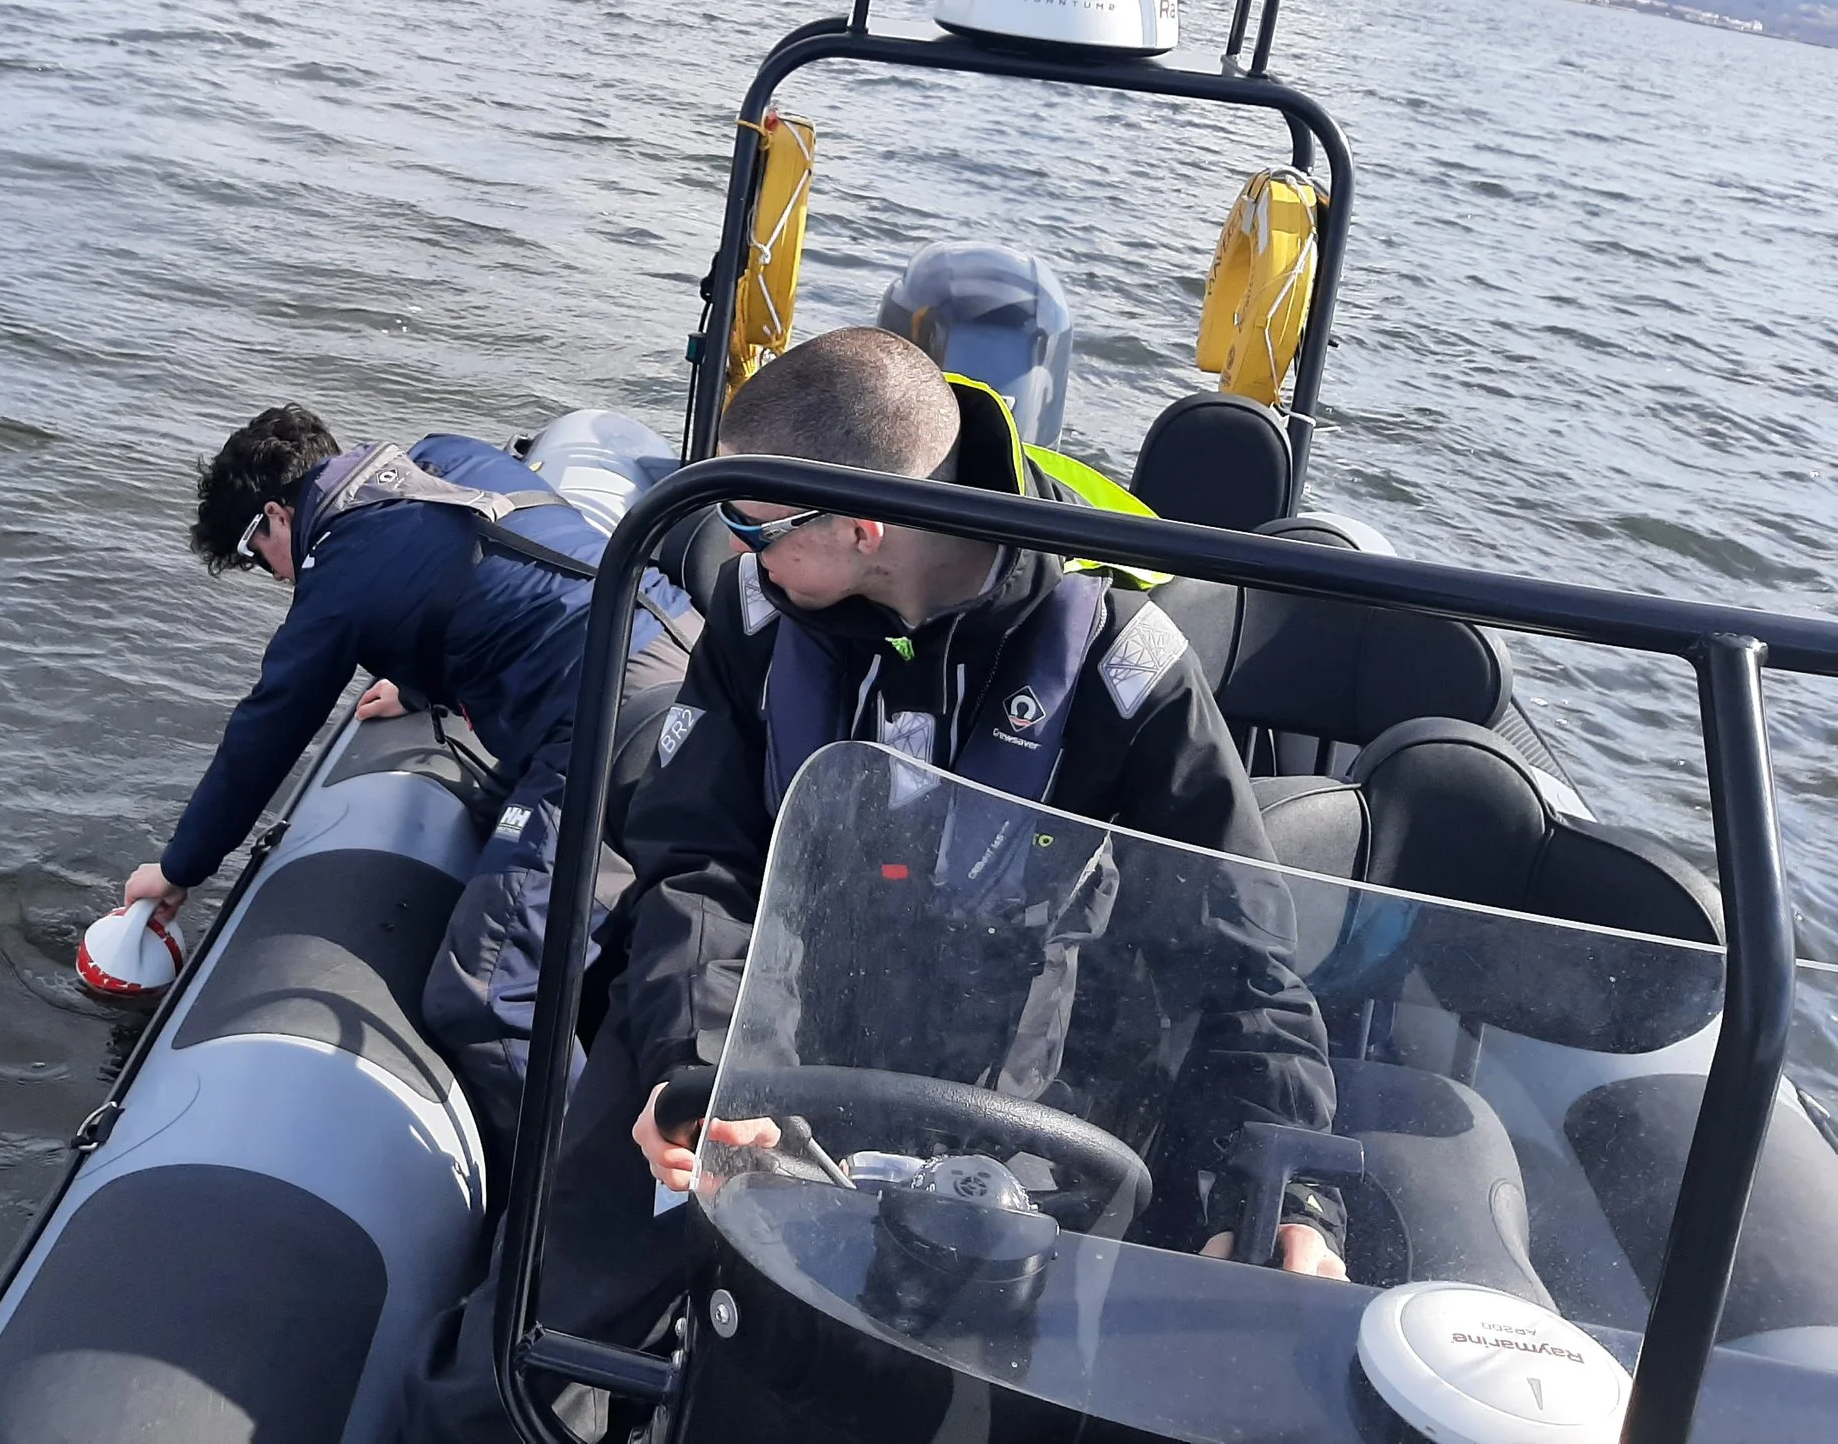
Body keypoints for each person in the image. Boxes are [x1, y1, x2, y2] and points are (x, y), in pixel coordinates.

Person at [400, 329, 1342, 1444]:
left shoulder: (1119, 672)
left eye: (755, 526)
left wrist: (1290, 1193)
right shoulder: (756, 631)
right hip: (745, 1027)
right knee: (541, 1312)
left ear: (861, 526)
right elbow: (696, 862)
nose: (739, 555)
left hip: (1003, 1097)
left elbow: (1240, 958)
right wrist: (697, 1065)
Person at [121, 405, 695, 1172]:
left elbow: (263, 733)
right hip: (682, 652)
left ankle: (596, 1204)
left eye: (257, 557)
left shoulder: (340, 573)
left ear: (273, 516)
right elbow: (490, 573)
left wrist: (179, 866)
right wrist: (422, 684)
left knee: (484, 995)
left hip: (605, 720)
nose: (277, 576)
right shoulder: (441, 456)